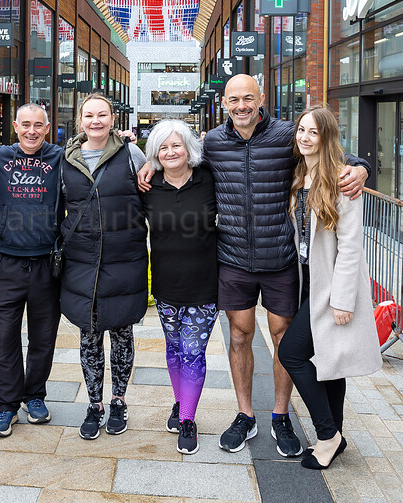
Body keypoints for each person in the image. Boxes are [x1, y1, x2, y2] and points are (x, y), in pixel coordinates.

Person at [138, 74, 370, 456]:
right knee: (240, 336)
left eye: (249, 98)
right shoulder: (211, 142)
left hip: (280, 259)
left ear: (261, 98)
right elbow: (178, 159)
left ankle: (280, 416)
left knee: (282, 338)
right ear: (224, 103)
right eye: (234, 99)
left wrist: (360, 167)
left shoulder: (284, 135)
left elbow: (326, 151)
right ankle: (245, 414)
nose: (242, 105)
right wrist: (150, 166)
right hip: (232, 260)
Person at [278, 106, 381, 469]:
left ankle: (326, 435)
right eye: (301, 130)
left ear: (326, 138)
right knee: (330, 362)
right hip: (308, 282)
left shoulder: (343, 180)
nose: (304, 137)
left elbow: (352, 246)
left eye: (313, 132)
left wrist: (343, 300)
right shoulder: (298, 175)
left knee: (291, 354)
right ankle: (336, 433)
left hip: (331, 287)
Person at [61, 93, 148, 440]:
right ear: (80, 121)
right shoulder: (66, 158)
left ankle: (118, 401)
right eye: (89, 115)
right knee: (89, 334)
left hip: (123, 259)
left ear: (113, 119)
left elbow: (151, 190)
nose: (95, 121)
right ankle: (95, 403)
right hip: (82, 261)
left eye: (102, 115)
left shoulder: (131, 154)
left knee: (122, 333)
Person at [0, 103, 63, 436]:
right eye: (26, 125)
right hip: (7, 263)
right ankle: (5, 405)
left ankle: (34, 396)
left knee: (43, 338)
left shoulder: (61, 157)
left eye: (38, 125)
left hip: (48, 263)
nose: (32, 131)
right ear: (15, 126)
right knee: (4, 338)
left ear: (48, 128)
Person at [141, 120, 218, 455]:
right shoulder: (147, 185)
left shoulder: (209, 179)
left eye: (176, 145)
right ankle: (179, 401)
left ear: (189, 148)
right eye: (163, 147)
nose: (170, 152)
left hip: (204, 285)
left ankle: (187, 418)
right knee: (173, 348)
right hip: (165, 284)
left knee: (193, 352)